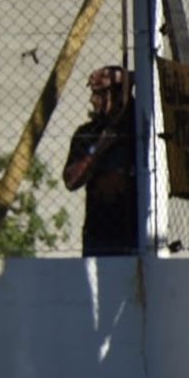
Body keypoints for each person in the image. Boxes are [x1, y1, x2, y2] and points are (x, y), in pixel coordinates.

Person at [63, 65, 137, 257]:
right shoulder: (87, 134)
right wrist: (97, 150)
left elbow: (147, 79)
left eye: (99, 94)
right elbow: (71, 181)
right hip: (99, 235)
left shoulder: (139, 127)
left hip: (136, 232)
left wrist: (122, 77)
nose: (92, 100)